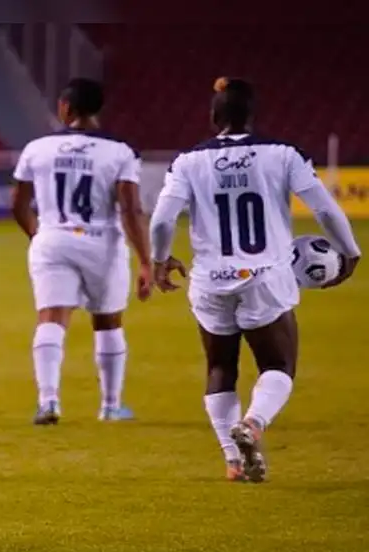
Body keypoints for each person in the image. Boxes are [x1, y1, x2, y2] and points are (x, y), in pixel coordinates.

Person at [149, 77, 361, 482]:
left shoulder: (187, 162)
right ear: (252, 116)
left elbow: (161, 221)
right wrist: (350, 251)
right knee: (278, 364)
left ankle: (232, 461)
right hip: (264, 277)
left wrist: (160, 259)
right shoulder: (283, 154)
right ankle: (253, 423)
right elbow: (325, 209)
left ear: (213, 117)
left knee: (219, 367)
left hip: (210, 280)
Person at [11, 78, 152, 426]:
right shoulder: (120, 151)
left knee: (51, 317)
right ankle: (110, 407)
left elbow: (18, 203)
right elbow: (130, 208)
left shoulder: (37, 148)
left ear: (66, 107)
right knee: (107, 321)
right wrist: (146, 260)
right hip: (101, 242)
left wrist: (38, 234)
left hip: (52, 238)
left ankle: (48, 401)